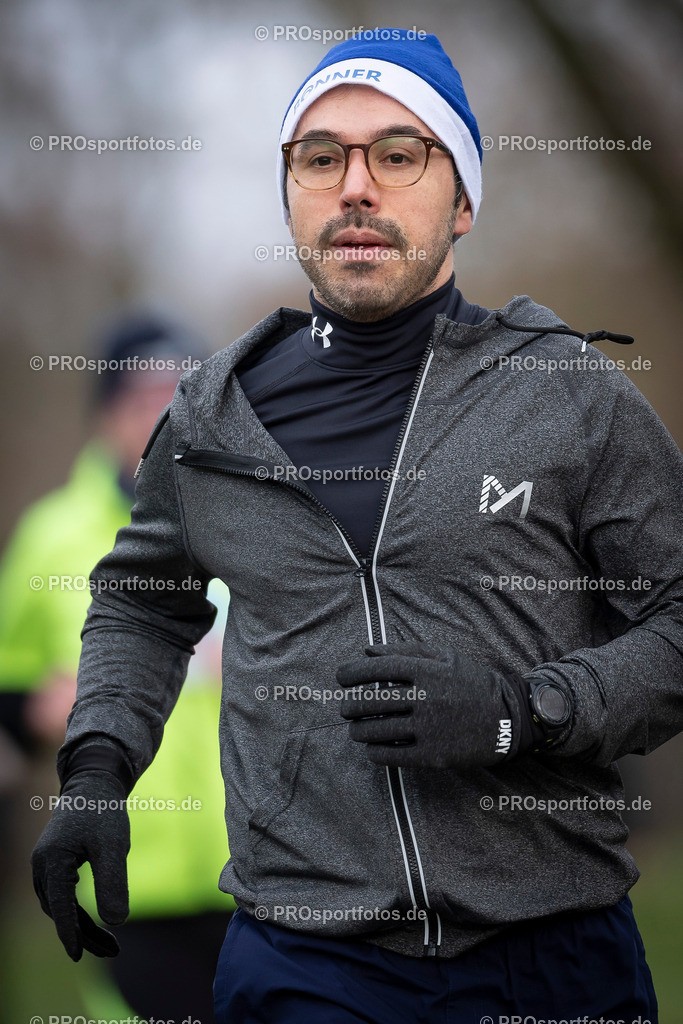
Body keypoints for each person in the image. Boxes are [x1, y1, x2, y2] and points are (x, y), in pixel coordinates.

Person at [30, 30, 681, 1023]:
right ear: (290, 191)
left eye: (398, 153)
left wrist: (523, 708)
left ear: (460, 200)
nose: (355, 188)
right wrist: (97, 765)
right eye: (320, 156)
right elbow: (143, 603)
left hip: (552, 956)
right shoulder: (211, 416)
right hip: (304, 960)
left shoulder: (565, 392)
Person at [0, 316, 234, 1023]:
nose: (162, 417)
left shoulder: (247, 525)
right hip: (125, 880)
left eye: (179, 396)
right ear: (104, 417)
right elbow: (9, 690)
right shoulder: (51, 536)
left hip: (254, 873)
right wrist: (38, 710)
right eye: (141, 400)